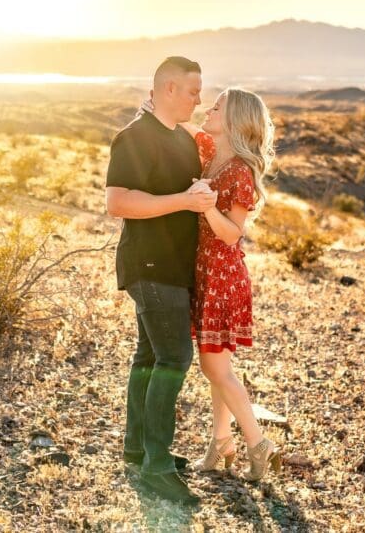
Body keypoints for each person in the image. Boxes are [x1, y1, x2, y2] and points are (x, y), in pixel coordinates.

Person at [147, 87, 280, 481]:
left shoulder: (238, 170)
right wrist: (155, 107)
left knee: (215, 367)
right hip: (205, 273)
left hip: (223, 277)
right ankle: (222, 441)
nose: (209, 109)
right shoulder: (213, 154)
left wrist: (205, 208)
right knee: (217, 366)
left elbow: (231, 234)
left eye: (217, 107)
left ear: (234, 121)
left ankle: (258, 444)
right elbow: (187, 129)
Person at [105, 56, 217, 506]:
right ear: (169, 88)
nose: (198, 98)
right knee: (173, 357)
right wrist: (184, 202)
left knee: (150, 356)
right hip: (150, 266)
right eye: (193, 91)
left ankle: (140, 449)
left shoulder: (179, 138)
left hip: (171, 267)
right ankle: (157, 467)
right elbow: (118, 202)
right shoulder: (134, 138)